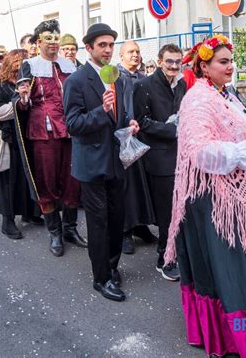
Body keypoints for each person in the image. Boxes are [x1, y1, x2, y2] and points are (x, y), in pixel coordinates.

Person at [164, 35, 246, 357]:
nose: (231, 66)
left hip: (235, 192)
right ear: (204, 66)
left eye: (230, 61)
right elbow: (201, 152)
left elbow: (241, 133)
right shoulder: (196, 100)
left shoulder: (226, 94)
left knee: (245, 260)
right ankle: (236, 334)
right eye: (223, 61)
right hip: (211, 199)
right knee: (230, 266)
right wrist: (244, 153)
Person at [63, 23, 139, 302]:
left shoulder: (117, 78)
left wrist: (127, 123)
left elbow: (117, 117)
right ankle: (101, 278)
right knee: (98, 222)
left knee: (117, 217)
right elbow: (72, 124)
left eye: (110, 45)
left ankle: (112, 265)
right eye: (102, 45)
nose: (107, 50)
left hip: (116, 160)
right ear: (89, 48)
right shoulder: (76, 81)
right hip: (91, 163)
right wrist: (101, 110)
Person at [14, 20, 86, 256]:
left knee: (73, 180)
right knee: (46, 181)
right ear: (38, 42)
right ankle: (54, 232)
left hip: (71, 129)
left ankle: (70, 228)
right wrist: (23, 98)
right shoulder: (29, 66)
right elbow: (22, 105)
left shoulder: (71, 65)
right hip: (43, 132)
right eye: (48, 38)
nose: (54, 42)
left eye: (57, 38)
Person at [133, 44, 186, 281]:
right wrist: (172, 130)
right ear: (160, 60)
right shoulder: (143, 85)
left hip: (181, 156)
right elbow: (141, 122)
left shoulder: (183, 84)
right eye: (169, 61)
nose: (174, 66)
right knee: (166, 212)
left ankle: (177, 252)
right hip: (159, 158)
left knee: (181, 210)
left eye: (178, 61)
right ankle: (164, 258)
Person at [0, 49, 43, 239]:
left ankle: (30, 212)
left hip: (28, 136)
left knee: (28, 177)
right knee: (7, 180)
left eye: (26, 62)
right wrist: (18, 102)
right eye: (19, 63)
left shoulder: (32, 83)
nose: (23, 66)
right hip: (7, 139)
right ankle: (7, 221)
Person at [117, 40, 157, 255]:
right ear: (121, 55)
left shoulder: (143, 78)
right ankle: (125, 230)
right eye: (130, 51)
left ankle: (141, 225)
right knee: (127, 186)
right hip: (124, 137)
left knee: (143, 185)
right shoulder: (115, 76)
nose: (135, 55)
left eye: (138, 51)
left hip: (144, 135)